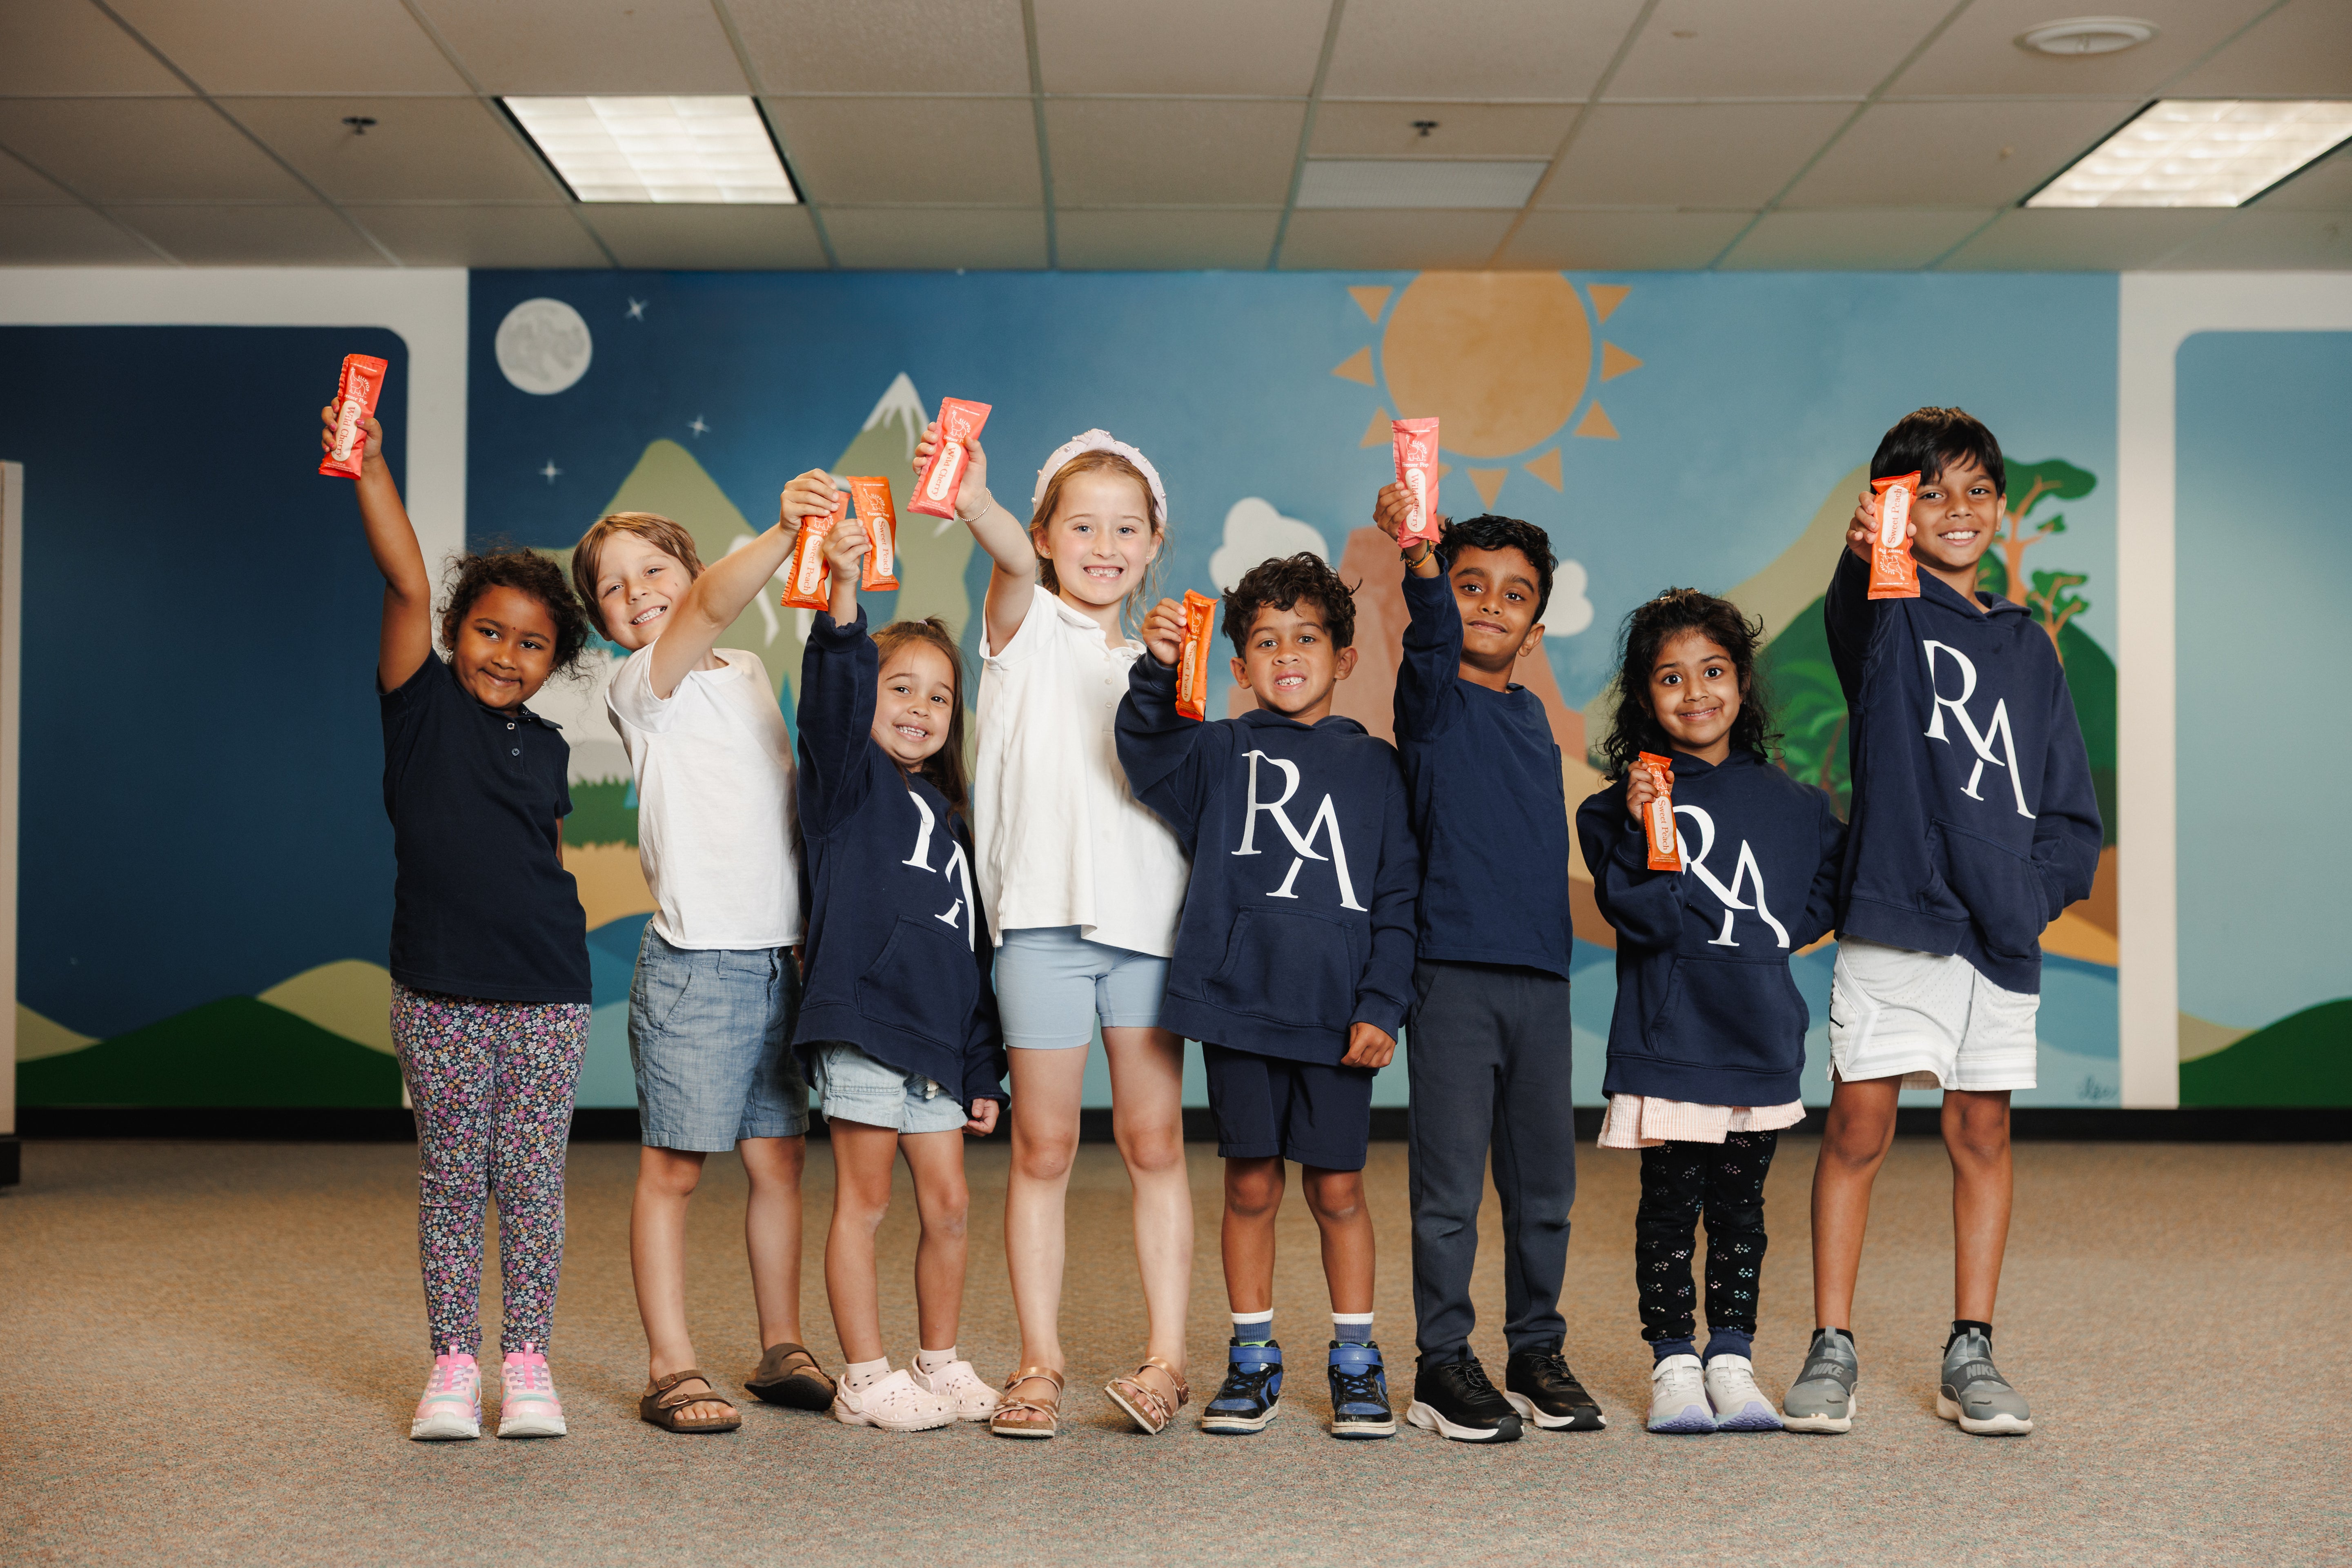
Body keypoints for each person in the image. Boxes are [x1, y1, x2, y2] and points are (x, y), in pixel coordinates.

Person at [1788, 408, 2101, 1437]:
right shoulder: (1887, 615)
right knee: (1860, 1127)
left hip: (1996, 934)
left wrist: (2027, 891)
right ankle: (1831, 1345)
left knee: (1981, 1130)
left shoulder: (2028, 647)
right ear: (1895, 511)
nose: (1956, 510)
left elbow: (2070, 815)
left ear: (1998, 510)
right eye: (1930, 493)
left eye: (1974, 492)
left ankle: (1972, 1345)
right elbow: (1861, 601)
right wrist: (1864, 555)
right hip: (1892, 919)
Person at [914, 421, 1194, 1439]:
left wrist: (1170, 671)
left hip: (1150, 930)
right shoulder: (1020, 625)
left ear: (1156, 543)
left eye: (1127, 528)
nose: (1105, 546)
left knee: (1154, 1139)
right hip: (1039, 925)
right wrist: (981, 500)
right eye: (1081, 525)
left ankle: (1168, 1359)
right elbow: (1005, 556)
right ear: (1043, 535)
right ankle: (1040, 1362)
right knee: (1043, 1145)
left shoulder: (1169, 659)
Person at [327, 397, 595, 1443]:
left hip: (546, 992)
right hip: (437, 986)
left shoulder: (551, 747)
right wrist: (370, 466)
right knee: (452, 1178)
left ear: (551, 662)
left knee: (530, 1183)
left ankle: (525, 1364)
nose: (506, 654)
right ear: (451, 635)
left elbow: (551, 861)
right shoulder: (420, 706)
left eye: (532, 644)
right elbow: (402, 572)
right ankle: (451, 1366)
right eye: (489, 631)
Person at [1117, 555, 1420, 1440]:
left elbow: (1397, 900)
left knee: (1338, 1191)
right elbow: (1144, 748)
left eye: (1307, 638)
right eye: (1264, 642)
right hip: (1239, 1008)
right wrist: (1159, 667)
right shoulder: (1217, 750)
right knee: (1250, 1187)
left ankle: (1356, 1363)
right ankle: (1252, 1360)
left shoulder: (1379, 770)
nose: (1287, 654)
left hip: (1338, 1019)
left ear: (1347, 657)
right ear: (1240, 666)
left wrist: (1382, 1005)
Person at [570, 488, 835, 1435]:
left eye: (653, 570)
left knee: (780, 1164)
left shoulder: (751, 671)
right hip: (696, 967)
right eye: (612, 588)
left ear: (682, 565)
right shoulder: (645, 681)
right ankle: (670, 1364)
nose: (636, 594)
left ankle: (781, 1344)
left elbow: (783, 808)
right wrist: (785, 531)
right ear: (603, 620)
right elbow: (711, 608)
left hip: (779, 959)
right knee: (676, 1171)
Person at [1576, 589, 1844, 1435]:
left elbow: (1829, 886)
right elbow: (1647, 917)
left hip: (1758, 1037)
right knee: (1668, 1209)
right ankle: (1673, 1366)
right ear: (1643, 698)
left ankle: (1732, 1359)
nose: (1696, 693)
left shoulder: (1794, 806)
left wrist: (1769, 934)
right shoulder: (1616, 808)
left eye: (1714, 671)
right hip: (1671, 1041)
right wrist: (1643, 820)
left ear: (1743, 681)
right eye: (1670, 678)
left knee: (1741, 1212)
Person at [1368, 493, 1600, 1442]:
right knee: (1451, 1191)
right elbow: (1431, 641)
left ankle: (1536, 1349)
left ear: (1536, 629)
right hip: (1453, 976)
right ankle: (1441, 1362)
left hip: (1541, 979)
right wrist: (1422, 561)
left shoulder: (1536, 718)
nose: (1490, 606)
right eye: (1471, 588)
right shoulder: (1428, 701)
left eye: (1513, 596)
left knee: (1547, 1187)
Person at [794, 515, 1007, 1432]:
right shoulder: (847, 787)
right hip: (864, 1032)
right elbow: (832, 699)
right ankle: (864, 1373)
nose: (921, 708)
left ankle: (940, 1361)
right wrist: (844, 599)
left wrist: (982, 1066)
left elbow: (970, 957)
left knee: (952, 1206)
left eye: (940, 697)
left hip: (936, 1046)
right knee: (867, 1202)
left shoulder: (954, 822)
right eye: (900, 688)